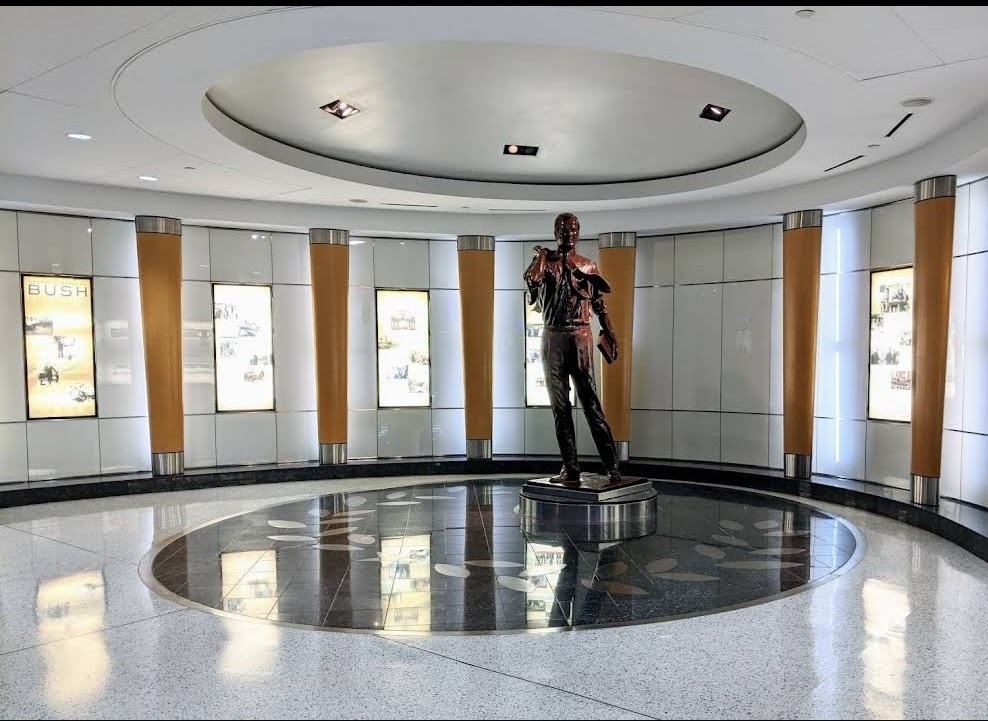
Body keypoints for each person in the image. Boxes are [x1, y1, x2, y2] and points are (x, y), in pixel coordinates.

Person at [523, 212, 621, 486]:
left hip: (580, 336)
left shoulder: (588, 265)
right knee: (560, 408)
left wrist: (610, 333)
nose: (568, 233)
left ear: (579, 233)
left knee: (591, 403)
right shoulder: (544, 262)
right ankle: (571, 467)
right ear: (555, 232)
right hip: (552, 338)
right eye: (563, 229)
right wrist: (542, 256)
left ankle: (613, 467)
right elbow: (533, 280)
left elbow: (599, 304)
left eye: (573, 229)